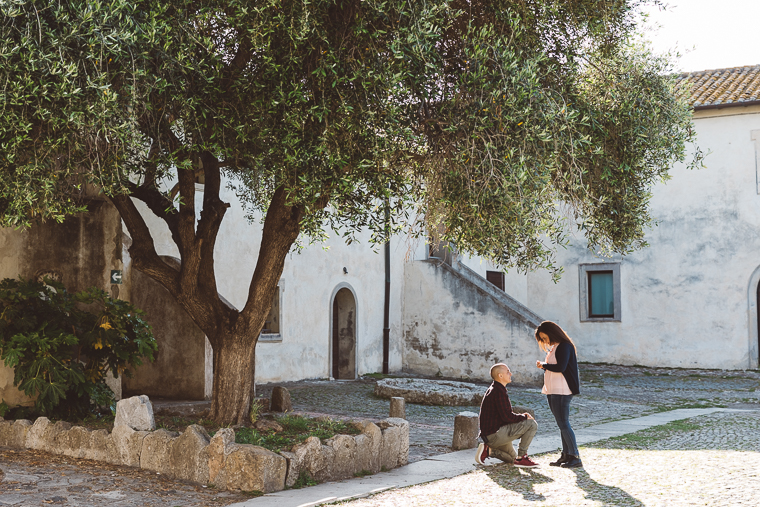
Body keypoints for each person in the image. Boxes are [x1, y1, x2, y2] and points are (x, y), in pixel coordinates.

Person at [535, 320, 582, 468]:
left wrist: (544, 365)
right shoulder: (556, 347)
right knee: (561, 423)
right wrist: (545, 366)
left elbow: (561, 366)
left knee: (564, 423)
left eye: (544, 337)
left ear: (552, 333)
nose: (544, 341)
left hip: (562, 390)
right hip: (553, 389)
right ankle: (566, 454)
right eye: (542, 339)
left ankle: (575, 456)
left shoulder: (564, 346)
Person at [475, 362, 539, 467]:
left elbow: (504, 416)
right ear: (500, 375)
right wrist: (525, 417)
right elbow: (507, 417)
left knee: (512, 459)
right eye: (508, 372)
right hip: (495, 435)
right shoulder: (498, 391)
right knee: (532, 424)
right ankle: (522, 457)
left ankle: (489, 451)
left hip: (491, 436)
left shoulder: (495, 389)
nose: (511, 374)